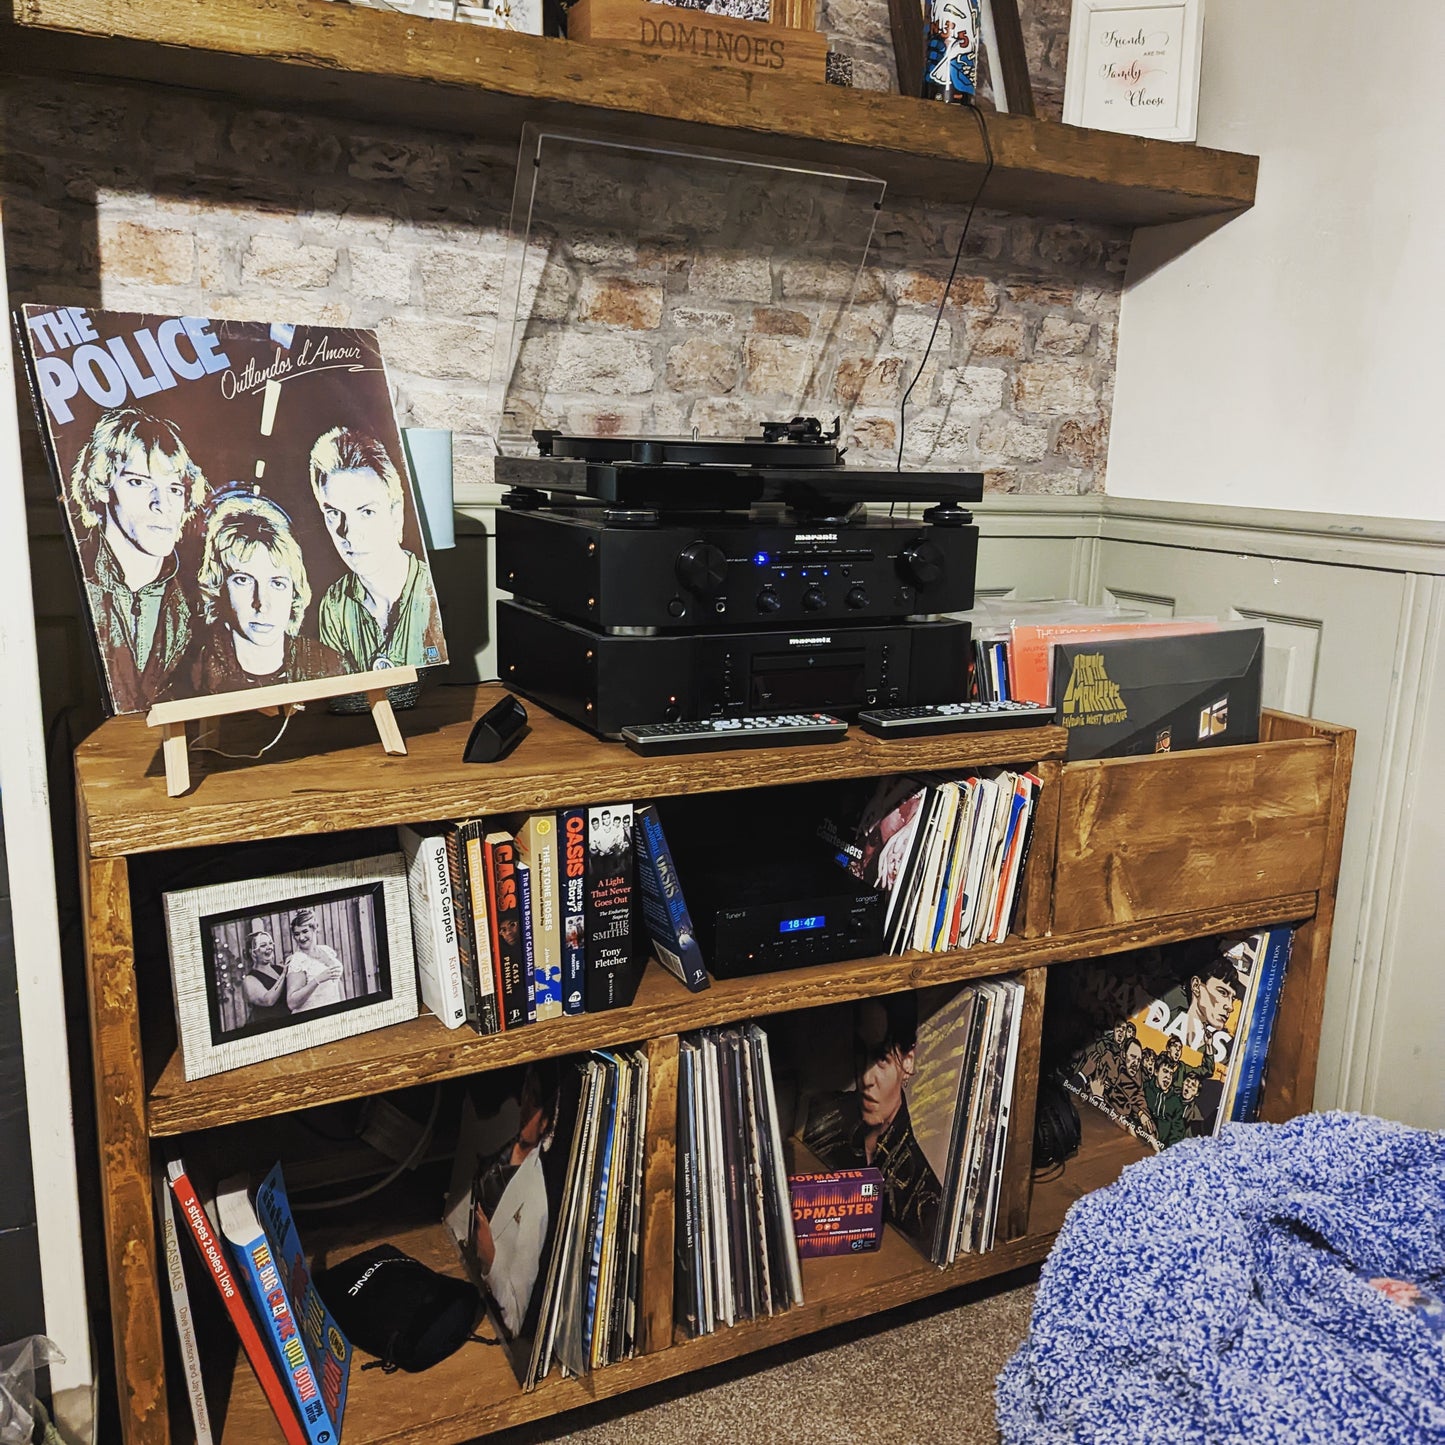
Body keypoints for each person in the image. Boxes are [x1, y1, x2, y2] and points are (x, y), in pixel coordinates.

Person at [67, 405, 209, 711]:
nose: (163, 504)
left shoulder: (202, 598)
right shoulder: (64, 581)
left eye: (174, 488)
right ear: (103, 487)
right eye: (139, 482)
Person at [170, 493, 346, 697]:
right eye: (243, 580)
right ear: (218, 587)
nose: (262, 603)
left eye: (277, 583)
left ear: (294, 592)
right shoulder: (192, 674)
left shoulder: (330, 668)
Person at [801, 994, 942, 1248]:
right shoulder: (824, 1120)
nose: (866, 1079)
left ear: (907, 1060)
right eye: (860, 1054)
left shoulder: (921, 1195)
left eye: (880, 1059)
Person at [307, 428, 444, 673]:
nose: (348, 532)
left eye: (366, 512)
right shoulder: (335, 604)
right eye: (334, 513)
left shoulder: (430, 590)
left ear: (395, 513)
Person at [470, 1063, 559, 1338]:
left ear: (546, 1121)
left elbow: (514, 1317)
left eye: (535, 1101)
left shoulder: (536, 1198)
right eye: (526, 1096)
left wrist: (490, 1256)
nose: (525, 1107)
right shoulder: (495, 1154)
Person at [1183, 954, 1245, 1066]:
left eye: (1232, 998)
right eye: (1222, 992)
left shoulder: (1222, 1054)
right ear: (1196, 986)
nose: (1230, 1007)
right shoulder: (1159, 1017)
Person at [284, 908, 345, 1012]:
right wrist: (317, 980)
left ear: (315, 928)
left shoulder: (326, 950)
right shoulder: (298, 961)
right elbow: (291, 1003)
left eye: (304, 931)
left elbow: (337, 981)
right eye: (297, 934)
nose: (301, 938)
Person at [240, 926, 288, 1028]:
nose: (269, 947)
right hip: (264, 1027)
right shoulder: (249, 980)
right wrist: (284, 974)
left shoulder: (280, 969)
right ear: (253, 952)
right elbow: (268, 1000)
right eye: (263, 945)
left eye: (270, 943)